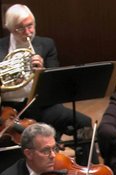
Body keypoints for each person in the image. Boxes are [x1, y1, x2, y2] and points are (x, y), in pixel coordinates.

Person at [0, 4, 93, 163]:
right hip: (10, 110)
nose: (28, 32)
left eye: (30, 25)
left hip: (42, 105)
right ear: (10, 29)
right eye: (21, 28)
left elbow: (56, 81)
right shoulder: (1, 47)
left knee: (84, 122)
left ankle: (89, 172)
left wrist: (43, 71)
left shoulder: (46, 44)